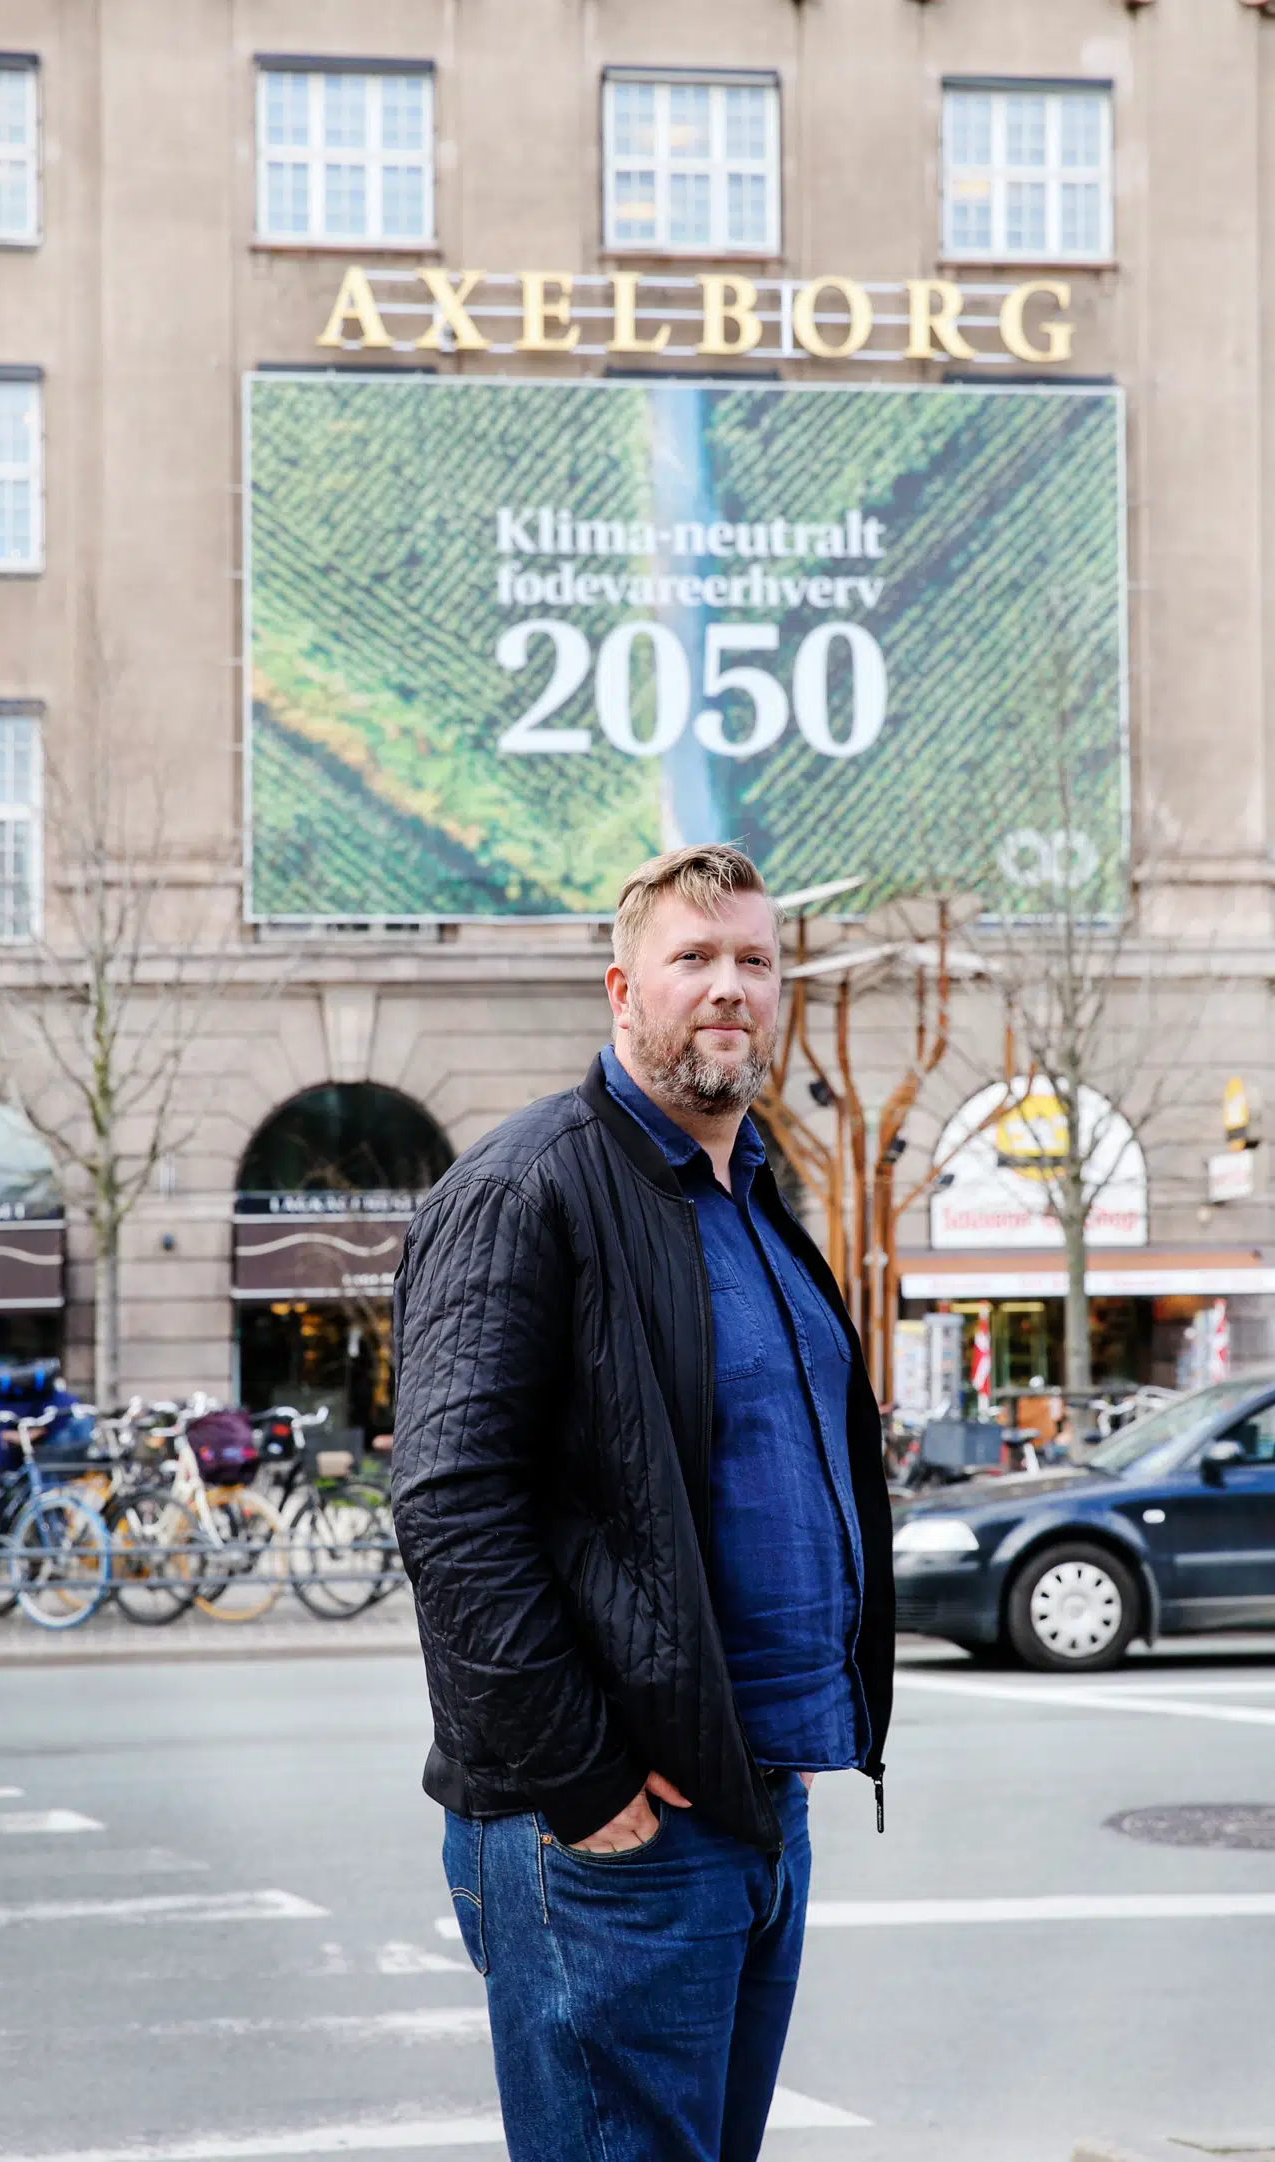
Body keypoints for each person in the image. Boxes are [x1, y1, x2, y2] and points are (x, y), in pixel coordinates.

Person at [390, 843, 894, 2162]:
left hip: (757, 1800)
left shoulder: (755, 1197)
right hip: (617, 1831)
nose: (729, 986)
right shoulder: (529, 1186)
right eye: (694, 958)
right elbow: (451, 1507)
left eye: (754, 960)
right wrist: (580, 1776)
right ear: (624, 989)